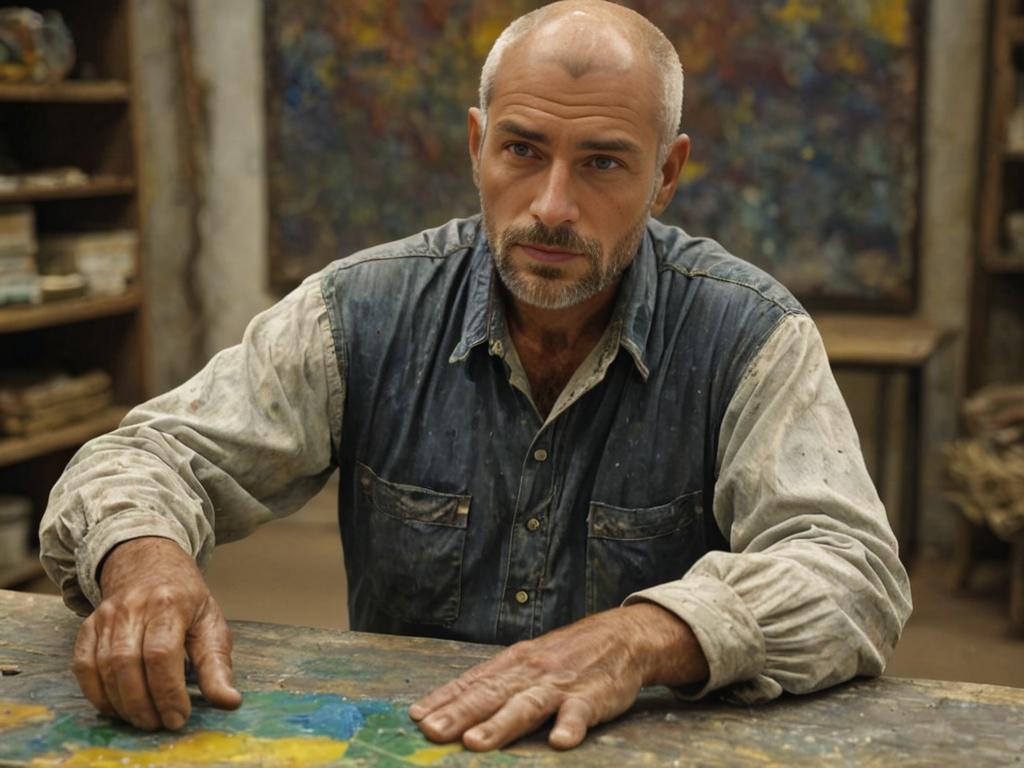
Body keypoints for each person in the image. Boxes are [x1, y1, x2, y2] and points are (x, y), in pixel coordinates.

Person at [39, 0, 912, 752]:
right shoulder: (362, 311)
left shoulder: (748, 334)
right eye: (522, 150)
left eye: (603, 162)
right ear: (476, 144)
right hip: (410, 743)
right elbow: (148, 456)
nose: (551, 206)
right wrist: (145, 564)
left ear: (667, 176)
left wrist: (646, 638)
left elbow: (850, 570)